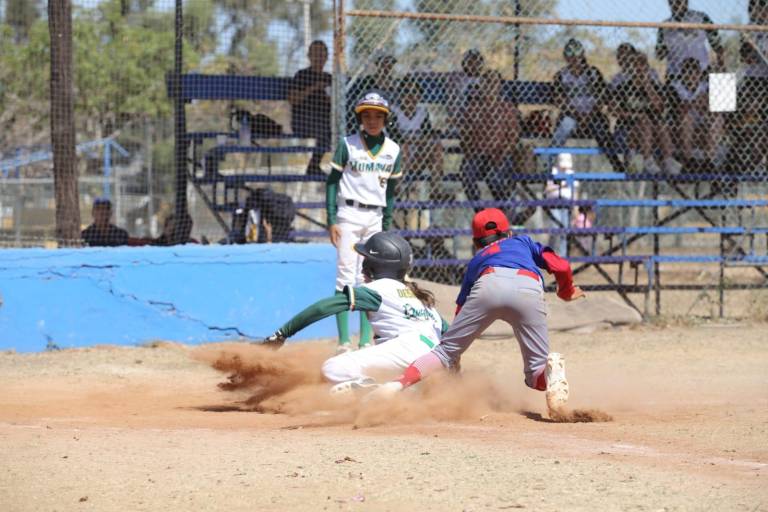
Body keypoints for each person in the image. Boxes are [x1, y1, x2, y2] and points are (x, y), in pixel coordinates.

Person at [369, 208, 585, 418]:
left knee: (444, 353)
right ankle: (550, 373)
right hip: (528, 287)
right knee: (537, 369)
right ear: (509, 233)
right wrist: (566, 291)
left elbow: (461, 307)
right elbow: (562, 266)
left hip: (488, 284)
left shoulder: (477, 261)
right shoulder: (523, 242)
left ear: (475, 243)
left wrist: (454, 351)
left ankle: (395, 385)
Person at [262, 232, 448, 395]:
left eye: (366, 259)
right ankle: (404, 391)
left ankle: (375, 392)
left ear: (375, 266)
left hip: (406, 350)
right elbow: (451, 335)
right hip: (432, 359)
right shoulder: (420, 297)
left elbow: (322, 308)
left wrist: (281, 334)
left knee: (333, 368)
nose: (362, 264)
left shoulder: (378, 288)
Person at [326, 91, 403, 354]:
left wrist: (388, 225)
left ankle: (366, 340)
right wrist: (331, 219)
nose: (372, 120)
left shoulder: (393, 150)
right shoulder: (348, 144)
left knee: (371, 277)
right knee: (346, 274)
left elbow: (391, 191)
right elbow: (332, 183)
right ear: (360, 118)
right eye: (367, 115)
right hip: (349, 214)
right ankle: (344, 341)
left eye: (377, 116)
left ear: (385, 119)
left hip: (375, 217)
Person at [551, 38, 624, 172]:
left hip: (592, 115)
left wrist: (589, 115)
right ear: (566, 58)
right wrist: (577, 115)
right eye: (571, 57)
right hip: (571, 115)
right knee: (565, 126)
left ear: (582, 56)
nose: (575, 60)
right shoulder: (561, 76)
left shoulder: (593, 73)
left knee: (600, 127)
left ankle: (615, 161)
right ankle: (548, 163)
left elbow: (603, 98)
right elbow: (559, 101)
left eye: (578, 57)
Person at [609, 43, 682, 174]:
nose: (640, 68)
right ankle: (648, 160)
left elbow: (659, 107)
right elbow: (612, 110)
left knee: (660, 124)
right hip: (627, 130)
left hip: (652, 131)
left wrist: (647, 85)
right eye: (636, 65)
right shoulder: (624, 87)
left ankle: (668, 160)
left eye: (643, 64)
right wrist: (633, 116)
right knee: (644, 121)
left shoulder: (652, 85)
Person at [457, 70, 522, 211]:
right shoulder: (472, 108)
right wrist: (471, 151)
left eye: (494, 83)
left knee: (493, 176)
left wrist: (502, 153)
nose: (491, 86)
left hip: (500, 154)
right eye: (487, 83)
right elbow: (464, 136)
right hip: (477, 154)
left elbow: (513, 136)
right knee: (467, 172)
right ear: (482, 86)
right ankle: (480, 212)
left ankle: (503, 209)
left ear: (499, 86)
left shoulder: (507, 108)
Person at [287, 40, 332, 176]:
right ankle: (313, 167)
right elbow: (293, 100)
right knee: (326, 131)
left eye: (322, 54)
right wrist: (313, 89)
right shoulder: (301, 75)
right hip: (302, 122)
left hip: (323, 123)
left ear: (326, 57)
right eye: (315, 54)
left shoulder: (329, 78)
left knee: (335, 131)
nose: (319, 57)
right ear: (309, 56)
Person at [655, 0, 724, 81]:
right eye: (672, 1)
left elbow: (717, 45)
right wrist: (665, 46)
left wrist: (721, 66)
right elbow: (659, 55)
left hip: (702, 72)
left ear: (686, 1)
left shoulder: (701, 18)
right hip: (676, 75)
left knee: (721, 84)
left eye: (679, 1)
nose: (676, 4)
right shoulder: (665, 25)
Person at [346, 54, 399, 133]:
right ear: (378, 65)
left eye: (389, 65)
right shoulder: (368, 81)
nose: (386, 67)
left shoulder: (396, 83)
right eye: (383, 64)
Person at [544, 153, 577, 255]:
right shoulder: (553, 171)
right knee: (555, 229)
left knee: (564, 231)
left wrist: (576, 207)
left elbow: (575, 191)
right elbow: (547, 189)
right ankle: (548, 253)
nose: (564, 168)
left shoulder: (570, 172)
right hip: (554, 203)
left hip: (567, 204)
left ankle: (562, 256)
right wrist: (561, 186)